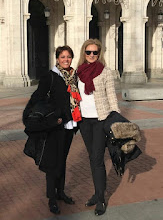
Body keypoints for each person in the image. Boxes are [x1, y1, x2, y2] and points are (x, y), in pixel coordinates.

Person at [23, 45, 81, 215]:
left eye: (69, 57)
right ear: (57, 59)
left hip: (70, 126)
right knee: (52, 163)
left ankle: (61, 192)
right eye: (62, 57)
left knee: (62, 160)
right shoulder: (50, 77)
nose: (66, 60)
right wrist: (51, 118)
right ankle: (52, 198)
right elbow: (38, 98)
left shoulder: (73, 76)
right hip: (55, 126)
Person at [77, 39, 120, 216]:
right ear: (84, 53)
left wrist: (116, 119)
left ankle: (101, 199)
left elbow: (112, 97)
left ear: (99, 53)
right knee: (92, 158)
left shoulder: (105, 72)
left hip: (100, 120)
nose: (92, 55)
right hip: (84, 121)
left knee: (96, 158)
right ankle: (97, 192)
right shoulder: (78, 72)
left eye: (95, 52)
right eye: (89, 52)